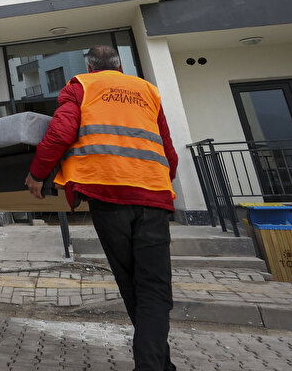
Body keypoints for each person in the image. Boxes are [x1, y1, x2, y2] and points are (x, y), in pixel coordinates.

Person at [25, 45, 179, 371]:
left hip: (108, 196)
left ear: (90, 65)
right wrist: (159, 178)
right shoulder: (148, 90)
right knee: (153, 287)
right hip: (153, 196)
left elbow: (61, 131)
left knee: (132, 284)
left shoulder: (81, 86)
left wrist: (38, 173)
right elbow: (168, 150)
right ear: (120, 65)